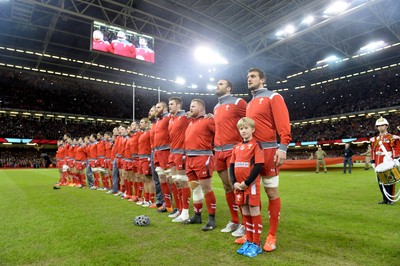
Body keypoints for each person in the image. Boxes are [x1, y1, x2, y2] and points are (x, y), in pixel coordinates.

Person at [245, 68, 291, 252]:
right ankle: (253, 233)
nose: (249, 79)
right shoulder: (250, 103)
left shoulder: (273, 97)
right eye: (248, 77)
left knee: (271, 192)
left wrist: (283, 147)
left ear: (262, 79)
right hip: (252, 152)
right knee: (251, 194)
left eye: (253, 76)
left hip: (270, 150)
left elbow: (283, 123)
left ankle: (272, 235)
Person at [213, 79, 247, 236]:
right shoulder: (216, 107)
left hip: (233, 150)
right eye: (217, 84)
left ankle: (246, 223)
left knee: (236, 186)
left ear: (228, 87)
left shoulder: (238, 102)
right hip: (218, 152)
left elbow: (250, 122)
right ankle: (234, 220)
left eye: (220, 84)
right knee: (227, 186)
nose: (217, 86)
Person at [230, 117, 264, 258]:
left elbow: (259, 165)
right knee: (245, 211)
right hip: (239, 186)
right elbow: (231, 166)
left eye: (246, 128)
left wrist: (247, 182)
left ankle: (256, 244)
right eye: (241, 128)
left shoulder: (256, 145)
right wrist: (234, 183)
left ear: (253, 129)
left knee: (254, 211)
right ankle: (249, 241)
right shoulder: (236, 147)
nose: (243, 131)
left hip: (250, 186)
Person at [183, 99, 217, 231]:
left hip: (203, 157)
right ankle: (197, 215)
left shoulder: (208, 120)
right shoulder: (190, 122)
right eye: (190, 106)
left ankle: (211, 219)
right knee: (195, 188)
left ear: (202, 109)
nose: (190, 108)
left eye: (193, 106)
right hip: (190, 158)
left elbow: (219, 132)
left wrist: (213, 116)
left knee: (206, 188)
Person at [167, 97, 192, 222]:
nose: (169, 106)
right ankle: (179, 209)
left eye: (171, 104)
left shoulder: (185, 117)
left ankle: (186, 213)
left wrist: (208, 115)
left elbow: (198, 118)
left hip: (181, 153)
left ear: (178, 105)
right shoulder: (172, 119)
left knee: (183, 182)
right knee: (175, 182)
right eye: (169, 104)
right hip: (172, 153)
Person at [370, 117, 400, 205]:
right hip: (378, 163)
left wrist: (396, 159)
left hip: (388, 161)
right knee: (380, 182)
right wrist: (373, 161)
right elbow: (373, 151)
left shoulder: (392, 137)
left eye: (382, 125)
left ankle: (390, 200)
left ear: (387, 126)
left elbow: (396, 149)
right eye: (378, 126)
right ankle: (385, 199)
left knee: (390, 181)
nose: (380, 127)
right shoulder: (374, 139)